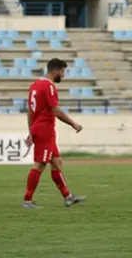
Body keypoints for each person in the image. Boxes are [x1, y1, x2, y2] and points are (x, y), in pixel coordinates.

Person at [22, 58, 85, 208]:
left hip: (39, 128)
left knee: (57, 161)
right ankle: (27, 200)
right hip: (45, 129)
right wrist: (73, 124)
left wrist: (31, 131)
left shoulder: (35, 85)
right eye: (63, 72)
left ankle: (68, 196)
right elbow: (55, 110)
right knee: (40, 164)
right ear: (55, 71)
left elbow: (30, 111)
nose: (63, 75)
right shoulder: (49, 87)